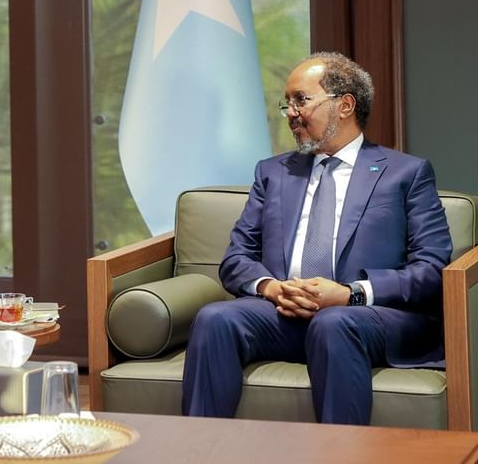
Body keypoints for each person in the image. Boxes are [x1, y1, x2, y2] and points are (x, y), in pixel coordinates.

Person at [181, 51, 452, 425]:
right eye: (287, 103)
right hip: (284, 314)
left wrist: (349, 294)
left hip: (369, 318)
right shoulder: (273, 173)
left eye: (301, 100)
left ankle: (340, 451)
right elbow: (236, 258)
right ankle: (199, 447)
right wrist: (272, 288)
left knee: (334, 323)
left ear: (344, 105)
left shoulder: (406, 174)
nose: (291, 113)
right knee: (215, 318)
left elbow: (432, 268)